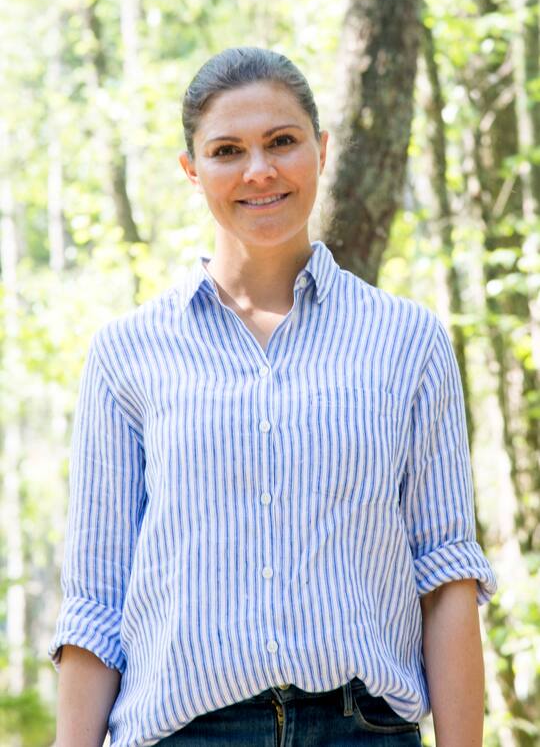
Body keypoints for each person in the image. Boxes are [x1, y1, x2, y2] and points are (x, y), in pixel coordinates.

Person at [49, 46, 497, 747]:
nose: (259, 170)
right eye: (227, 150)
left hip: (363, 731)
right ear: (192, 170)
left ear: (320, 150)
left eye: (281, 142)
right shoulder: (126, 354)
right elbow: (97, 601)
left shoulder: (408, 340)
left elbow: (445, 576)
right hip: (182, 733)